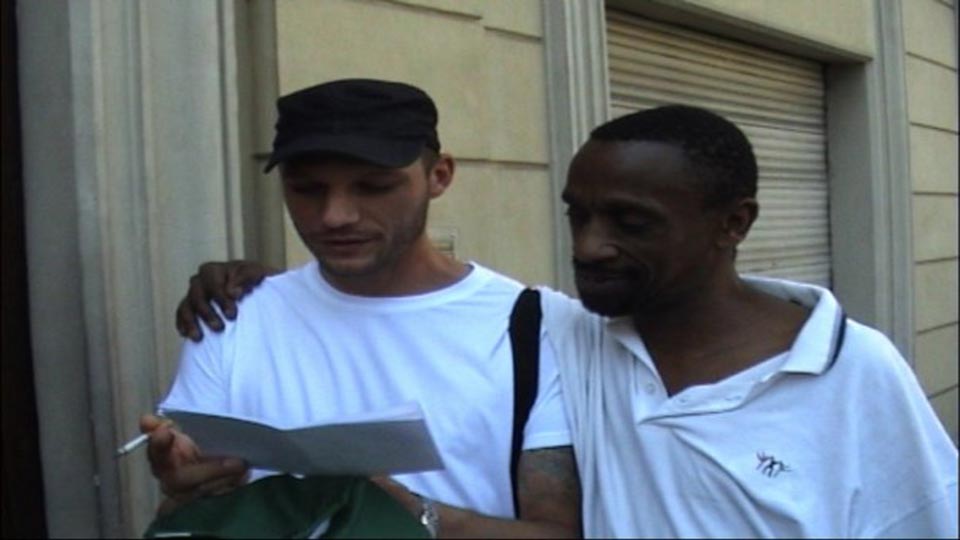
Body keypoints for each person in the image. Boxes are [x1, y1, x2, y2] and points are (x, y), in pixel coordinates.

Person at [176, 105, 959, 537]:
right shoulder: (569, 336)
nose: (589, 247)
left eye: (630, 222)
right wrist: (256, 284)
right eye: (577, 216)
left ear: (734, 223)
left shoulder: (851, 371)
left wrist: (410, 511)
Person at [142, 78, 581, 538]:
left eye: (373, 187)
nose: (336, 215)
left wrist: (411, 515)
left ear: (439, 176)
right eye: (307, 189)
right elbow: (185, 511)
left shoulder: (533, 327)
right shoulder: (231, 317)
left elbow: (557, 533)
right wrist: (190, 487)